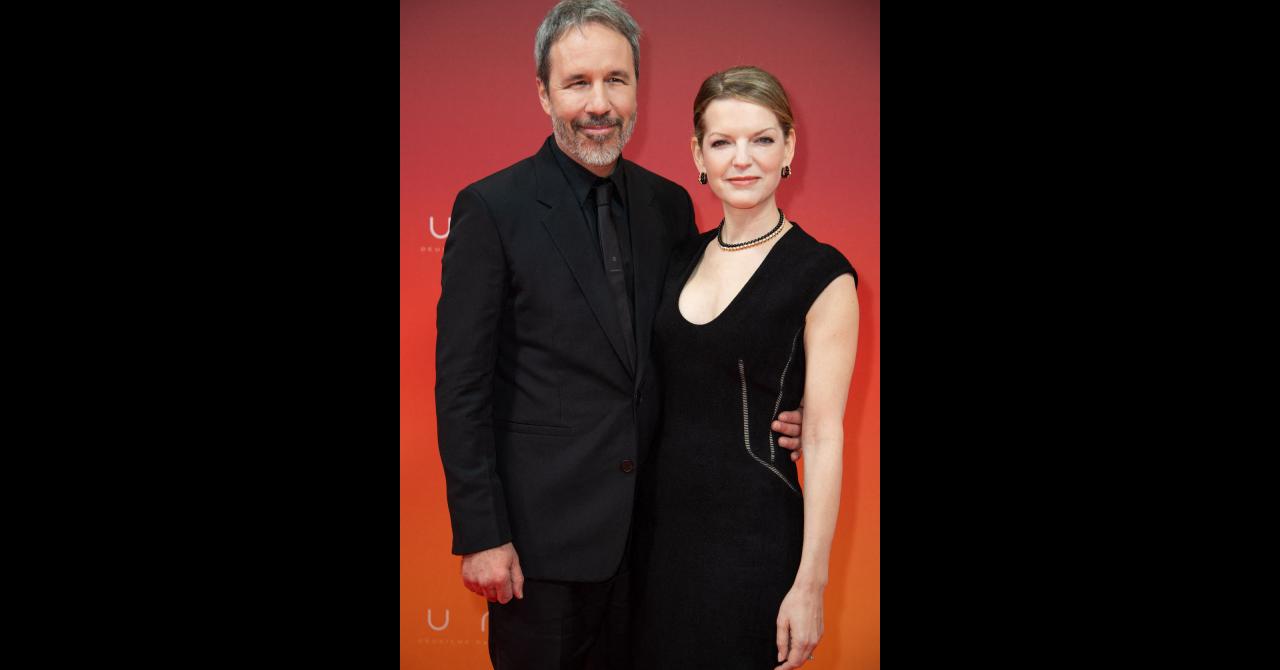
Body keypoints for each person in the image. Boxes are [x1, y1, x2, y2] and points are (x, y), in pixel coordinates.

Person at [433, 3, 805, 667]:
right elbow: (461, 386)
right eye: (577, 83)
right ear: (543, 92)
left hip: (658, 539)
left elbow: (689, 349)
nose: (599, 103)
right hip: (539, 551)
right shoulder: (492, 209)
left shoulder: (668, 205)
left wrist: (782, 409)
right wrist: (482, 534)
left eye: (617, 79)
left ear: (638, 88)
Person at [633, 66, 859, 670]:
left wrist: (810, 583)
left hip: (753, 546)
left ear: (789, 148)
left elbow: (823, 434)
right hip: (655, 543)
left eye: (762, 139)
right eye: (722, 142)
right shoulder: (677, 257)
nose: (743, 159)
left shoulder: (823, 275)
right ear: (698, 155)